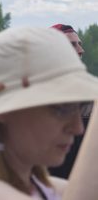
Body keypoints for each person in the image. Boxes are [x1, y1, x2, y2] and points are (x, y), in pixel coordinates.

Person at [0, 27, 98, 200]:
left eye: (78, 107)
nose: (78, 128)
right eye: (61, 109)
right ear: (5, 111)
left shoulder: (37, 186)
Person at [49, 23, 89, 179]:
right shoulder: (34, 102)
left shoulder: (91, 98)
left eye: (79, 44)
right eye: (72, 45)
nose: (81, 50)